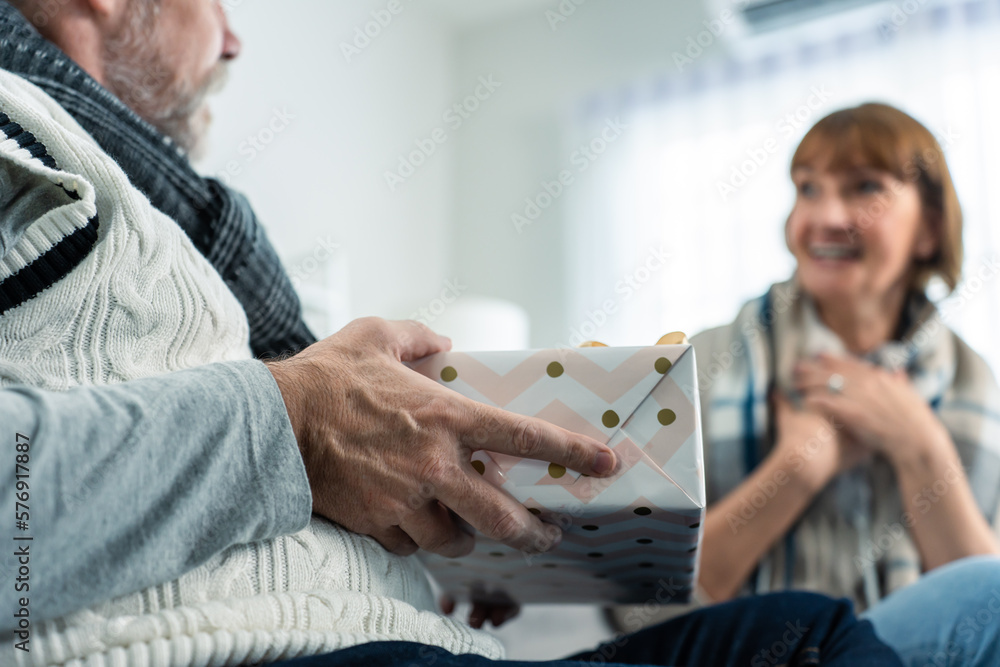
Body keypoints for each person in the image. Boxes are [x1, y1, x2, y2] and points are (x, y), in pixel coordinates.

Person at [0, 0, 909, 665]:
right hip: (272, 648)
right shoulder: (25, 144)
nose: (236, 36)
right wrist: (297, 422)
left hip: (404, 629)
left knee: (828, 633)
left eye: (866, 188)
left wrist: (446, 546)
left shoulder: (177, 233)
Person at [677, 103, 1000, 664]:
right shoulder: (705, 361)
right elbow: (652, 606)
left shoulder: (979, 386)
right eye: (807, 188)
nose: (825, 216)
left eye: (864, 188)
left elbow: (983, 616)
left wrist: (919, 444)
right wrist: (798, 467)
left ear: (929, 228)